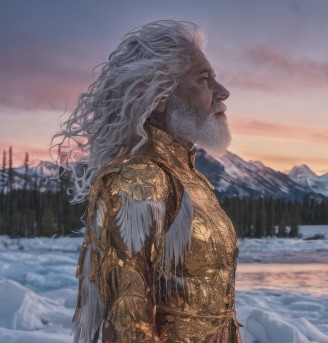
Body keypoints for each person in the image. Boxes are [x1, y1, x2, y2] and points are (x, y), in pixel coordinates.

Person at [52, 20, 243, 342]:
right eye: (203, 79)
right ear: (157, 97)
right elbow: (126, 321)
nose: (222, 92)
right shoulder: (138, 179)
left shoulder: (188, 176)